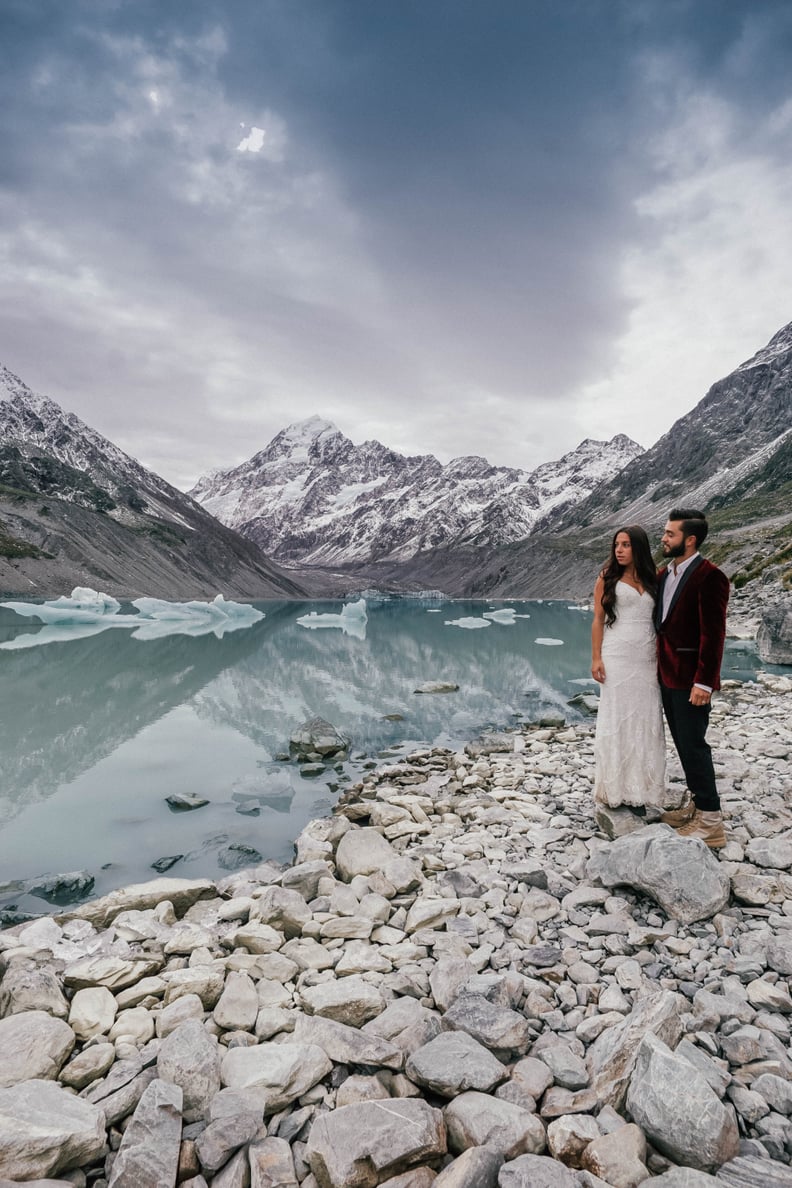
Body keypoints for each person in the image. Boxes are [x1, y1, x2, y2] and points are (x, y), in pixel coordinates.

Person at [655, 508, 730, 849]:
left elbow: (713, 635)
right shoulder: (664, 574)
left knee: (695, 744)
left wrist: (704, 682)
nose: (663, 538)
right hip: (666, 675)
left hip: (690, 680)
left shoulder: (710, 576)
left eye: (669, 534)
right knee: (683, 744)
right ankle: (697, 806)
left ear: (690, 540)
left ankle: (711, 821)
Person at [591, 526, 666, 811]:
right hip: (617, 656)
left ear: (639, 548)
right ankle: (614, 788)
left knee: (645, 719)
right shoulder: (607, 577)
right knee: (617, 718)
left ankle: (643, 789)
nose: (619, 550)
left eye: (625, 545)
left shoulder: (653, 578)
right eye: (616, 545)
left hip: (647, 657)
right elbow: (598, 620)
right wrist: (596, 658)